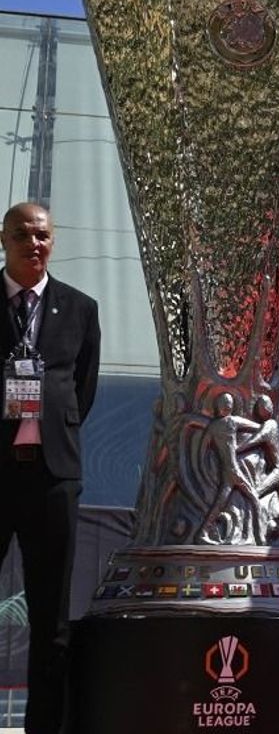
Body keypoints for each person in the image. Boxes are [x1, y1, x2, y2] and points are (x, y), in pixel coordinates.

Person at [0, 202, 100, 733]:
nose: (32, 244)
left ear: (52, 241)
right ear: (3, 240)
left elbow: (80, 394)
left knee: (50, 619)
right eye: (21, 235)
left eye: (40, 235)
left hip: (52, 477)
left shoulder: (80, 308)